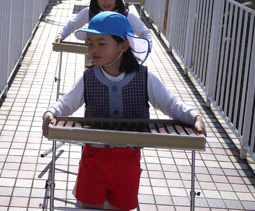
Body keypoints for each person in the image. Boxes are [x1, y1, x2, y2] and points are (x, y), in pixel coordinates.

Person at [43, 12, 206, 211]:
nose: (93, 49)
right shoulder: (89, 77)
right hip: (94, 158)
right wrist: (50, 112)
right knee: (89, 208)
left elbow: (171, 104)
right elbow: (66, 103)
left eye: (101, 43)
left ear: (123, 45)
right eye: (90, 43)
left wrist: (194, 117)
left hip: (128, 161)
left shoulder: (144, 77)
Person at [54, 0, 152, 53]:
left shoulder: (126, 15)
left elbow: (144, 31)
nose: (106, 1)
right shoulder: (90, 12)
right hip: (95, 60)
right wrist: (61, 35)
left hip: (119, 64)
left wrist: (148, 45)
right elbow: (72, 25)